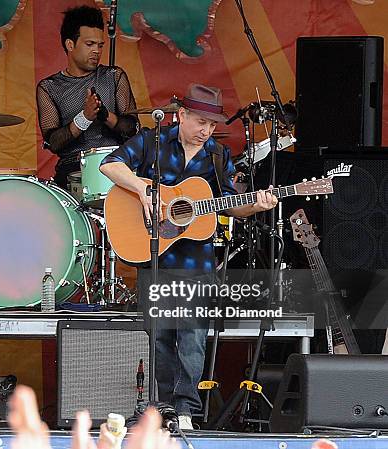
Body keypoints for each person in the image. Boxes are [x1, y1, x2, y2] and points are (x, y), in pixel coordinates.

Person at [100, 83, 278, 429]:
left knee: (193, 339)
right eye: (200, 122)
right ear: (180, 115)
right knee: (161, 339)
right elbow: (110, 165)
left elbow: (232, 203)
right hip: (156, 260)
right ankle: (163, 407)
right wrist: (144, 188)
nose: (206, 131)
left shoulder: (216, 155)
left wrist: (255, 204)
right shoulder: (152, 141)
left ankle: (186, 411)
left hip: (197, 263)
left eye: (211, 125)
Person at [36, 5, 139, 189]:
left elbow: (132, 128)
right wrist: (84, 118)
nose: (97, 51)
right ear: (70, 45)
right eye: (89, 44)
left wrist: (105, 115)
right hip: (73, 171)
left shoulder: (114, 76)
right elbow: (54, 142)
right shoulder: (49, 87)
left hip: (117, 166)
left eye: (100, 45)